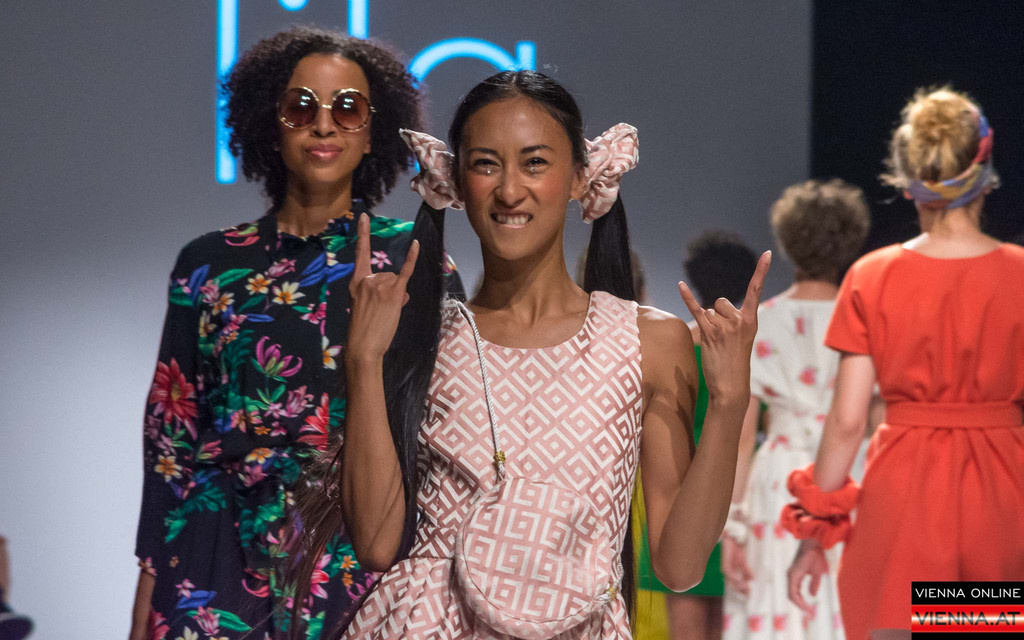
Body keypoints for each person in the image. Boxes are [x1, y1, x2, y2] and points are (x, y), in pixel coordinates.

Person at [291, 69, 771, 639]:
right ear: (455, 181)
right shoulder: (422, 336)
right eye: (486, 164)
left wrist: (729, 402)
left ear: (580, 178)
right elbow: (375, 544)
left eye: (535, 162)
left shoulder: (649, 341)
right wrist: (364, 361)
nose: (510, 190)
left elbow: (679, 566)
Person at [129, 26, 462, 640]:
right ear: (271, 122)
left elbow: (444, 434)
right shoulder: (208, 264)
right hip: (215, 554)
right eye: (301, 107)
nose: (324, 124)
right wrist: (148, 589)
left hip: (356, 552)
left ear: (373, 131)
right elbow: (171, 437)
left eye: (348, 108)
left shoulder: (413, 262)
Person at [784, 87, 1024, 639]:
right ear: (984, 171)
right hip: (999, 499)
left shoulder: (873, 276)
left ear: (908, 177)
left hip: (904, 498)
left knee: (898, 625)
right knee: (978, 626)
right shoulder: (1019, 275)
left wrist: (813, 538)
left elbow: (848, 421)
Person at [722, 181, 870, 639]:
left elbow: (740, 439)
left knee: (775, 608)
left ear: (788, 242)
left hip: (779, 482)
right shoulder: (867, 317)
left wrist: (733, 528)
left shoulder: (760, 321)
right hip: (851, 475)